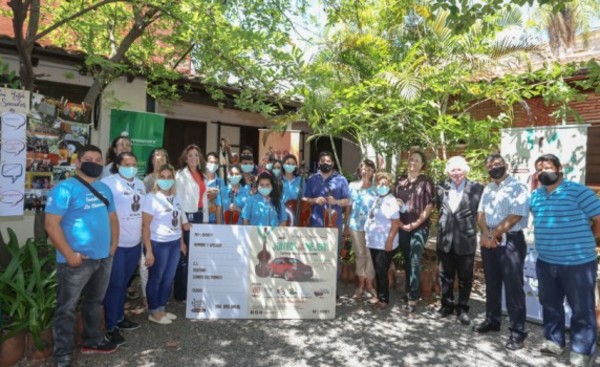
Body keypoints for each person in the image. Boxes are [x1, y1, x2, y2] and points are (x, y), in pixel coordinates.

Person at [45, 145, 120, 367]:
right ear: (78, 162)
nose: (94, 163)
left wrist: (113, 246)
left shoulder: (104, 189)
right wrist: (69, 255)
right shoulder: (64, 189)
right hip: (76, 262)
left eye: (98, 160)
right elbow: (51, 225)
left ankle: (93, 339)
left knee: (94, 302)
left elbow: (113, 218)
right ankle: (63, 355)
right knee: (66, 308)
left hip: (103, 258)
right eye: (89, 159)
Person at [530, 154, 600, 366]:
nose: (544, 172)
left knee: (582, 308)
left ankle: (582, 350)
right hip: (546, 261)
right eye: (540, 169)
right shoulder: (536, 195)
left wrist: (591, 238)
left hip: (577, 263)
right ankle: (554, 341)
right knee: (550, 304)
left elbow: (599, 218)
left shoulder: (579, 192)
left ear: (560, 169)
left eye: (548, 167)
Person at [475, 154, 529, 351]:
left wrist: (493, 234)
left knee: (514, 288)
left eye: (497, 164)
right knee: (492, 283)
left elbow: (515, 215)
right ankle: (492, 320)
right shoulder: (488, 188)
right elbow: (480, 214)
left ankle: (518, 332)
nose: (494, 168)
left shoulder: (518, 187)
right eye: (490, 166)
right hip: (489, 240)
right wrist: (486, 233)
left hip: (510, 241)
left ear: (505, 165)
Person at [101, 152, 146, 345]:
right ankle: (110, 326)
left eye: (134, 164)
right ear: (118, 165)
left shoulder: (141, 184)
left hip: (134, 243)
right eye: (127, 164)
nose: (132, 167)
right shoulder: (109, 183)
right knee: (115, 284)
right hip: (117, 244)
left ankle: (119, 317)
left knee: (124, 283)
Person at [434, 156, 483, 325]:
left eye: (459, 169)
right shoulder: (441, 187)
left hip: (465, 239)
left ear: (465, 171)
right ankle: (446, 305)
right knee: (445, 276)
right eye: (453, 170)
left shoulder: (477, 188)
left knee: (465, 277)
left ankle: (462, 308)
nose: (456, 173)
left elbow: (480, 212)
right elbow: (440, 210)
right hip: (445, 238)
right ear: (448, 172)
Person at [142, 164, 187, 324]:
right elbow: (145, 225)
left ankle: (161, 308)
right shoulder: (150, 198)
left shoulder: (176, 198)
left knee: (169, 278)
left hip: (174, 243)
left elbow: (178, 222)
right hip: (158, 243)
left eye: (170, 177)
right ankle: (153, 311)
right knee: (156, 277)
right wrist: (148, 250)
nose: (166, 180)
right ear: (157, 179)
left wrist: (181, 242)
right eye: (163, 177)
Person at [394, 150, 434, 313]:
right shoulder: (401, 180)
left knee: (415, 258)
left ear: (422, 164)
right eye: (411, 160)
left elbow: (430, 205)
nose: (413, 163)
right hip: (403, 225)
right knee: (407, 258)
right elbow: (394, 200)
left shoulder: (426, 181)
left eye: (417, 160)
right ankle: (410, 290)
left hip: (419, 226)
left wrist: (416, 223)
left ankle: (414, 296)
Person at [174, 144, 209, 302]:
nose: (193, 158)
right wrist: (184, 221)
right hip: (188, 217)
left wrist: (206, 220)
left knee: (197, 255)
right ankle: (181, 293)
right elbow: (178, 200)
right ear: (185, 158)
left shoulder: (202, 175)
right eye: (190, 155)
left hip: (200, 217)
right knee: (185, 255)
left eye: (196, 155)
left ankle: (194, 290)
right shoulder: (181, 175)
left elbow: (205, 199)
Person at [364, 171, 401, 310]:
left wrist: (389, 240)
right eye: (378, 183)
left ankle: (384, 299)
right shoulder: (377, 198)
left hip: (384, 242)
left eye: (384, 184)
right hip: (375, 241)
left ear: (389, 184)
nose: (381, 186)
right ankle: (380, 296)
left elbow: (396, 222)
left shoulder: (391, 200)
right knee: (378, 270)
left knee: (381, 271)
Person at [344, 159, 377, 300]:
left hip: (372, 228)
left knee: (370, 255)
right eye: (364, 168)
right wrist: (346, 225)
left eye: (370, 169)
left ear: (373, 173)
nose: (366, 171)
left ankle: (370, 284)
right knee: (360, 254)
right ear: (360, 170)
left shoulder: (377, 188)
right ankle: (361, 286)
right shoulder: (352, 186)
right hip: (355, 225)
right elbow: (348, 206)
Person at [303, 151, 350, 233]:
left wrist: (336, 201)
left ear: (332, 163)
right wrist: (315, 200)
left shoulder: (341, 180)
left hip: (334, 225)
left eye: (328, 161)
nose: (325, 163)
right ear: (318, 163)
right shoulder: (312, 179)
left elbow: (348, 201)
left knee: (334, 246)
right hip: (315, 224)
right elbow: (304, 199)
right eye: (322, 161)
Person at [204, 152, 223, 224]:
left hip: (214, 222)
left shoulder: (221, 183)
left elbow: (220, 206)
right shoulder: (199, 181)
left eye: (216, 163)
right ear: (206, 163)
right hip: (199, 221)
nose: (213, 165)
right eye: (211, 162)